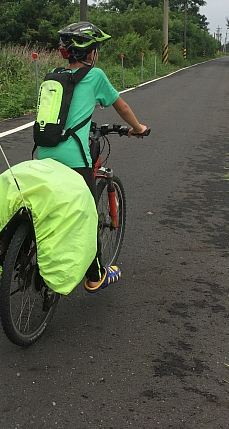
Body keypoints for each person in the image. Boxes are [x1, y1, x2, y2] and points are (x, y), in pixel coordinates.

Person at [37, 22, 147, 293]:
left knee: (47, 211)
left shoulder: (53, 76)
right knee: (87, 218)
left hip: (44, 154)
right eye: (95, 49)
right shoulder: (95, 75)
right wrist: (138, 128)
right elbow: (120, 105)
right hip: (75, 159)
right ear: (89, 53)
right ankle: (96, 275)